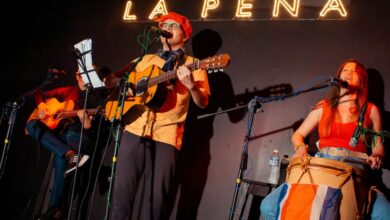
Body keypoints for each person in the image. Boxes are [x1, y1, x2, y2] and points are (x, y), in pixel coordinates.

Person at [110, 12, 210, 220]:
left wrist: (191, 86)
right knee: (120, 198)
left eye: (174, 25)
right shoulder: (144, 59)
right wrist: (124, 88)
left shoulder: (195, 63)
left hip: (167, 136)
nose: (168, 27)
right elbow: (116, 81)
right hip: (135, 129)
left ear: (185, 35)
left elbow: (203, 102)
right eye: (164, 24)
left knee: (156, 204)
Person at [260, 59, 390, 219]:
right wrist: (301, 148)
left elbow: (378, 147)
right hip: (321, 165)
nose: (348, 73)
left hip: (356, 169)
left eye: (354, 71)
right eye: (345, 70)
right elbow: (298, 135)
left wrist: (377, 156)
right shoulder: (323, 106)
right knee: (268, 207)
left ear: (362, 79)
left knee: (385, 214)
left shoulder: (371, 110)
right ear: (338, 77)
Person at [26, 68, 108, 219]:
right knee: (31, 125)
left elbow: (95, 132)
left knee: (61, 158)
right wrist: (42, 106)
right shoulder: (70, 91)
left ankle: (54, 211)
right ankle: (70, 154)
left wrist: (86, 123)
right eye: (81, 73)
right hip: (61, 137)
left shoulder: (97, 97)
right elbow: (38, 93)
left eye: (90, 72)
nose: (84, 76)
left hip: (78, 137)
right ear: (77, 76)